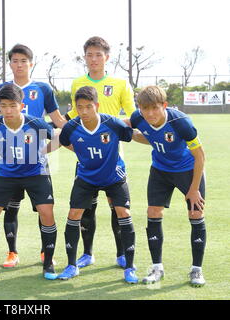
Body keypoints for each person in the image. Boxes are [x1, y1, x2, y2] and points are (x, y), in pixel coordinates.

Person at [0, 44, 66, 268]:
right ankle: (12, 252)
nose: (19, 64)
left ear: (31, 63)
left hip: (36, 159)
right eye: (15, 61)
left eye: (24, 61)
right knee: (11, 208)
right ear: (10, 63)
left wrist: (76, 135)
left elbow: (58, 120)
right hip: (9, 159)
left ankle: (45, 253)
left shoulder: (43, 88)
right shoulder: (2, 88)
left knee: (43, 209)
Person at [53, 86, 138, 283]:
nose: (84, 112)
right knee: (74, 215)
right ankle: (71, 265)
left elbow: (129, 134)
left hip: (113, 176)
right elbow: (65, 141)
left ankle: (129, 266)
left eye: (88, 107)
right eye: (79, 107)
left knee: (123, 213)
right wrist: (80, 152)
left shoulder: (113, 123)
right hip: (86, 177)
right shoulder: (71, 127)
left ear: (97, 106)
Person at [65, 36, 136, 270]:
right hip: (86, 153)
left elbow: (133, 117)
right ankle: (87, 253)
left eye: (98, 54)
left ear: (107, 57)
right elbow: (73, 117)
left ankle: (122, 254)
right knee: (86, 205)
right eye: (89, 55)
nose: (93, 59)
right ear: (84, 57)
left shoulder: (120, 83)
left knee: (116, 205)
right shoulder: (77, 83)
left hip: (113, 155)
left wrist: (110, 126)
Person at [0, 84, 58, 280]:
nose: (8, 110)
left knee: (46, 213)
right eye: (3, 106)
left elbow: (55, 138)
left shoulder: (36, 123)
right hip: (6, 173)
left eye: (12, 105)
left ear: (21, 105)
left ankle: (48, 265)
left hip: (36, 172)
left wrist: (42, 153)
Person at [129, 85, 206, 287]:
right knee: (153, 212)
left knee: (195, 214)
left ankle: (196, 270)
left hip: (188, 170)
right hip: (160, 170)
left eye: (155, 108)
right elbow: (143, 133)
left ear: (164, 105)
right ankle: (157, 267)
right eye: (144, 109)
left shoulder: (181, 123)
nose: (150, 113)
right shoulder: (138, 118)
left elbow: (200, 156)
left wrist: (194, 189)